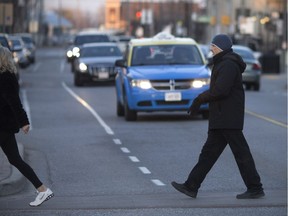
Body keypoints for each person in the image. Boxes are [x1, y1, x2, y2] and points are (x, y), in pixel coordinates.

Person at [171, 34, 264, 199]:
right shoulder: (223, 62)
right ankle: (191, 186)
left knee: (241, 154)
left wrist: (200, 99)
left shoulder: (228, 64)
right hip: (221, 117)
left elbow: (221, 90)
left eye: (213, 46)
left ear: (220, 47)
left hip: (227, 117)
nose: (211, 49)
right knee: (208, 154)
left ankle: (255, 188)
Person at [0, 46, 54, 206]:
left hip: (3, 125)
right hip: (3, 125)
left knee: (15, 159)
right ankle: (43, 189)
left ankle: (43, 190)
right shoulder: (5, 76)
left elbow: (14, 102)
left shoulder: (6, 78)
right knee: (15, 159)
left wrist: (23, 121)